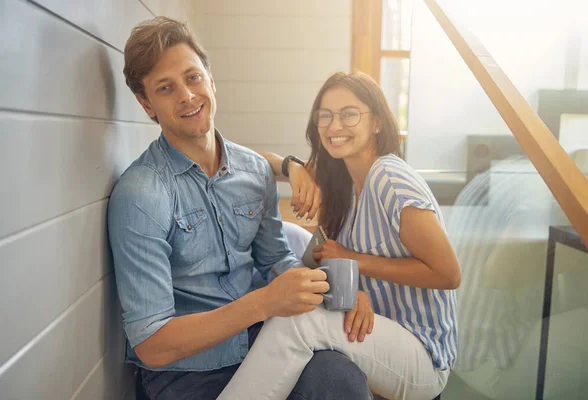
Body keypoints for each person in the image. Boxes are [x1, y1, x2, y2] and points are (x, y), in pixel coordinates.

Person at [107, 17, 374, 400]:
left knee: (342, 380)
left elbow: (276, 259)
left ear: (211, 81)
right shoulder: (140, 195)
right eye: (166, 88)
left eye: (193, 78)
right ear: (146, 104)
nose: (186, 96)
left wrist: (335, 292)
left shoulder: (254, 170)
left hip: (265, 342)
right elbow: (152, 343)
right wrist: (265, 301)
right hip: (187, 375)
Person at [218, 72, 461, 400]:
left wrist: (355, 261)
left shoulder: (389, 179)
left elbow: (448, 274)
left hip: (421, 352)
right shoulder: (341, 173)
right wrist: (294, 168)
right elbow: (252, 163)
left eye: (349, 114)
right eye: (325, 116)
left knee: (299, 321)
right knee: (291, 236)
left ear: (376, 122)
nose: (335, 126)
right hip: (374, 326)